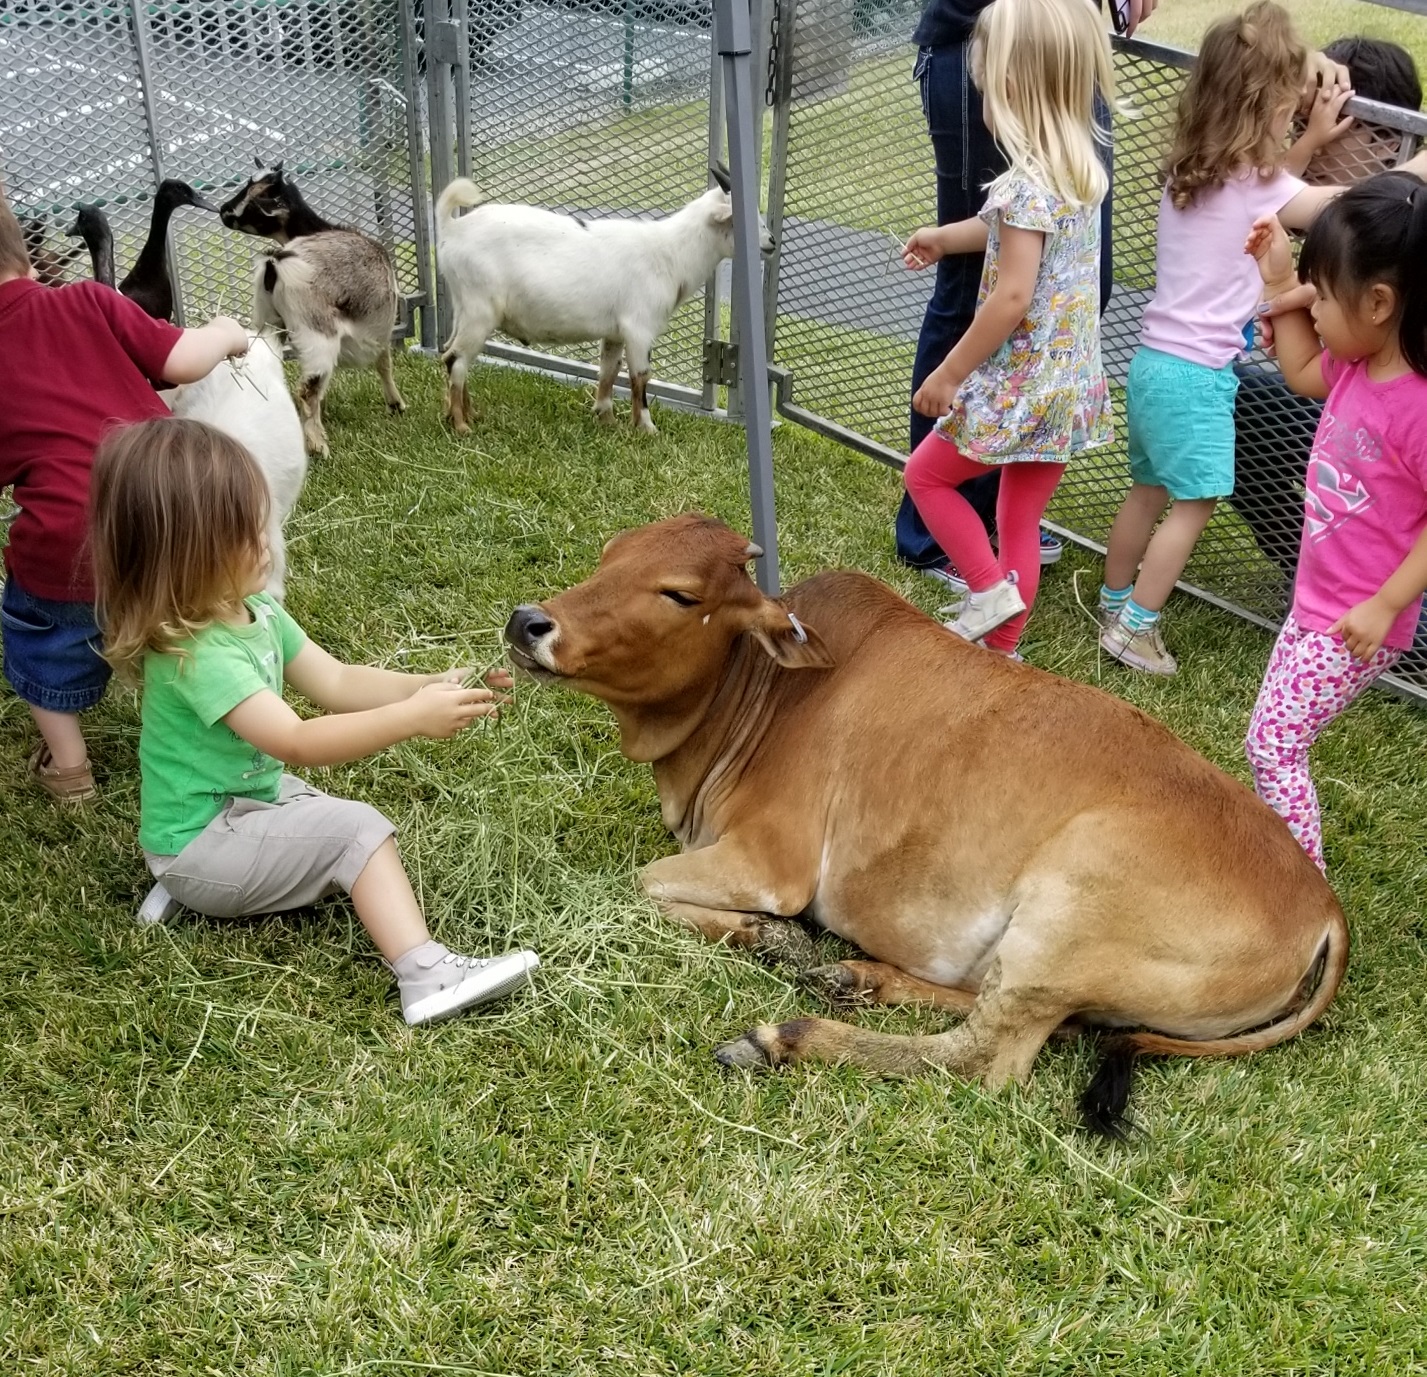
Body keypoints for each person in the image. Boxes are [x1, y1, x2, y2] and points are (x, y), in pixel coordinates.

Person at [88, 417, 540, 1025]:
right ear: (185, 556)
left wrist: (424, 686)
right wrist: (411, 719)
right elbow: (298, 741)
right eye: (244, 534)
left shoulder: (256, 612)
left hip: (242, 805)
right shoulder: (198, 656)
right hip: (203, 844)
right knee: (358, 830)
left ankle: (185, 879)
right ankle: (425, 976)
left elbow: (337, 680)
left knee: (315, 811)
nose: (267, 541)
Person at [1097, 2, 1354, 676]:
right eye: (1290, 103)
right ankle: (1134, 629)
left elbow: (1264, 196)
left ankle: (1112, 598)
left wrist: (1306, 146)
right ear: (1268, 105)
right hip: (1199, 378)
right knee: (1195, 503)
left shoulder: (1188, 174)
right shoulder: (1258, 185)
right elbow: (1336, 208)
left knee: (1145, 491)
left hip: (1152, 365)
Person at [897, 0, 1159, 592]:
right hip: (1064, 391)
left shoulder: (1020, 185)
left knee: (926, 479)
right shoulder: (1081, 171)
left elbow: (1011, 294)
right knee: (1018, 521)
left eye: (983, 81)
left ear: (1009, 86)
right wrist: (944, 237)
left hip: (1015, 389)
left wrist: (948, 374)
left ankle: (987, 593)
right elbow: (1010, 231)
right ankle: (1005, 644)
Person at [0, 187, 248, 803]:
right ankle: (222, 720)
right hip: (174, 514)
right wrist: (224, 333)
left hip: (70, 548)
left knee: (42, 643)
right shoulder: (88, 300)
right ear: (28, 259)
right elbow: (184, 360)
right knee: (188, 627)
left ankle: (70, 767)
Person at [1241, 174, 1427, 871]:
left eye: (1323, 295)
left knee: (1271, 746)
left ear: (1378, 302)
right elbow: (1296, 369)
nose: (1309, 307)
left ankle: (1300, 889)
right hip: (1316, 601)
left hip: (1355, 619)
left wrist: (1385, 604)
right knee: (1270, 740)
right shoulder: (1356, 365)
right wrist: (1278, 278)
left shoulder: (1415, 403)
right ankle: (1280, 871)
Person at [1230, 36, 1423, 587]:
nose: (1300, 138)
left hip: (1402, 428)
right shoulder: (1301, 199)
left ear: (1387, 137)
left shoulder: (1405, 226)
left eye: (1331, 122)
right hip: (1338, 408)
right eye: (1296, 121)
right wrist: (1287, 59)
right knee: (1232, 402)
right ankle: (1321, 577)